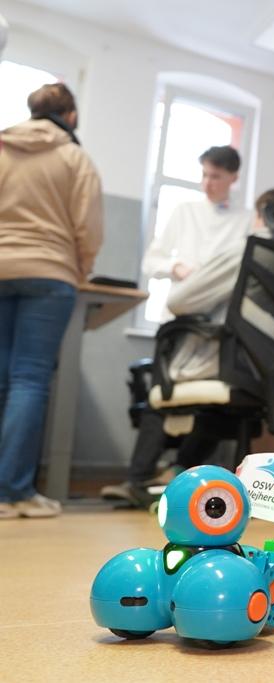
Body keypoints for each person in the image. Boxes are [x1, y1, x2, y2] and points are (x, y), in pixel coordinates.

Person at [101, 188, 274, 508]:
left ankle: (139, 480)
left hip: (236, 363)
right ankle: (178, 470)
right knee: (213, 406)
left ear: (261, 215)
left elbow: (178, 301)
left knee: (159, 385)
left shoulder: (250, 249)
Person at [0, 83, 104, 519]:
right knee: (29, 379)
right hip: (49, 271)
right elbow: (88, 226)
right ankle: (12, 493)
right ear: (72, 115)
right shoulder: (74, 157)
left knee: (3, 377)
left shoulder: (2, 147)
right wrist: (81, 268)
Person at [141, 145, 252, 313]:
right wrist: (175, 268)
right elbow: (150, 262)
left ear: (234, 178)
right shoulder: (184, 211)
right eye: (204, 175)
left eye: (215, 177)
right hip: (179, 310)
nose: (207, 183)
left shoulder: (246, 219)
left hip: (219, 313)